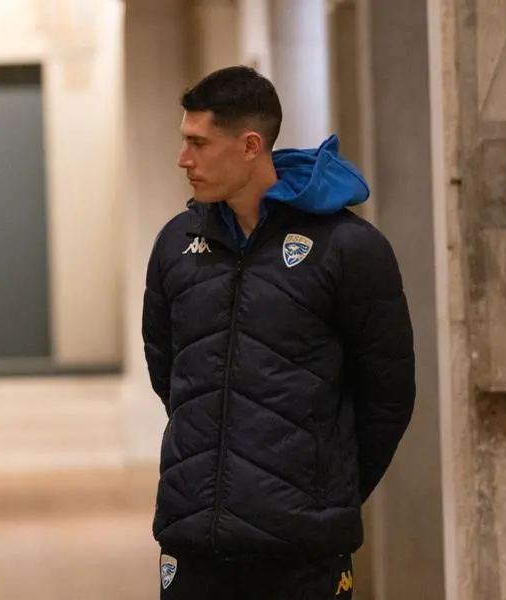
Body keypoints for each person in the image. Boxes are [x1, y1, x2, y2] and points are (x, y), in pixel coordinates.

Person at [142, 66, 415, 599]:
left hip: (302, 552)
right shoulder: (176, 244)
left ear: (249, 146)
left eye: (198, 143)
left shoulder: (348, 248)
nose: (184, 159)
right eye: (184, 141)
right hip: (193, 539)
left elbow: (388, 395)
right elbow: (168, 372)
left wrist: (325, 490)